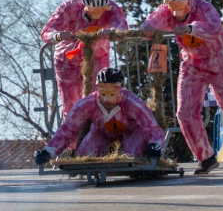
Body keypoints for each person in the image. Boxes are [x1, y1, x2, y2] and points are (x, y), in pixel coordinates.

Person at [139, 0, 223, 174]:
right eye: (170, 3)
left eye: (179, 4)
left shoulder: (204, 8)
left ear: (190, 1)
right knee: (185, 113)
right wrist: (147, 26)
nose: (174, 9)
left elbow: (215, 28)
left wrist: (191, 28)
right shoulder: (167, 11)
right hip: (193, 63)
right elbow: (155, 18)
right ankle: (205, 157)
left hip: (221, 61)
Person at [34, 68, 164, 164]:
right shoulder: (87, 104)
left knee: (132, 156)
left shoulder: (132, 104)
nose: (107, 99)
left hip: (131, 131)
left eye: (112, 92)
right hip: (102, 131)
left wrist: (155, 144)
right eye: (103, 92)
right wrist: (48, 152)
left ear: (120, 89)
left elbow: (151, 127)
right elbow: (68, 129)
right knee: (85, 155)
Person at [41, 0, 129, 118]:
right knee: (72, 107)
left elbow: (121, 26)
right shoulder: (68, 8)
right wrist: (57, 36)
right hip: (67, 61)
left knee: (101, 100)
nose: (97, 15)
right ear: (84, 3)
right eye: (93, 11)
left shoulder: (112, 9)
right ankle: (74, 138)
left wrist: (113, 32)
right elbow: (47, 31)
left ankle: (99, 136)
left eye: (101, 10)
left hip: (98, 57)